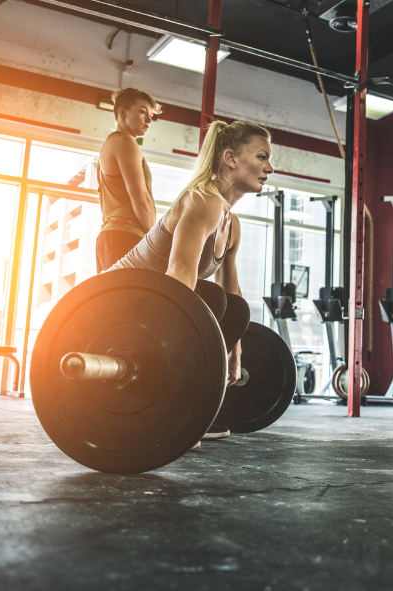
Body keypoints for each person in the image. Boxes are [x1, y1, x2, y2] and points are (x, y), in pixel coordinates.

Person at [110, 120, 271, 441]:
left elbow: (233, 297)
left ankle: (189, 402)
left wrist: (235, 352)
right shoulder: (204, 200)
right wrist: (176, 359)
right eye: (262, 157)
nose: (270, 167)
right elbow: (180, 273)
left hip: (150, 301)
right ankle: (173, 402)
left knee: (233, 305)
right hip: (113, 300)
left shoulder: (231, 223)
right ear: (230, 158)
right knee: (209, 298)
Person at [95, 88, 162, 271]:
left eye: (150, 114)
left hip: (110, 237)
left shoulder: (109, 145)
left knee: (114, 299)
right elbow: (140, 199)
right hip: (125, 236)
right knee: (130, 299)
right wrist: (157, 243)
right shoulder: (125, 142)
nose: (149, 120)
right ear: (122, 113)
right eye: (142, 112)